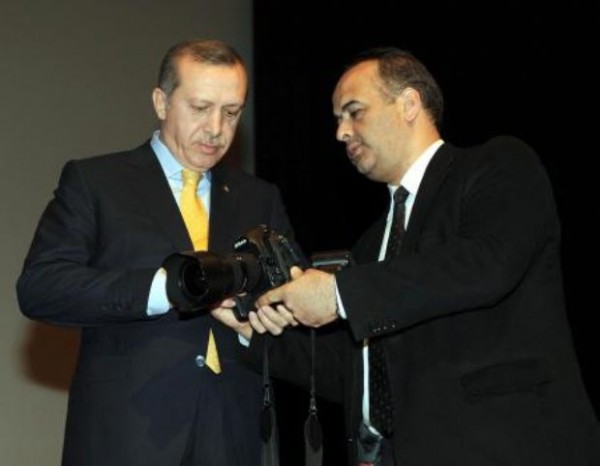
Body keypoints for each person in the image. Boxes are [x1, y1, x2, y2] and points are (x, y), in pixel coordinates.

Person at [213, 47, 600, 465]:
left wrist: (338, 295)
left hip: (505, 447)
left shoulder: (498, 166)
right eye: (337, 119)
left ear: (409, 104)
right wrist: (252, 330)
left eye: (354, 112)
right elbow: (351, 372)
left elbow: (486, 264)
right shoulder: (371, 245)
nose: (341, 132)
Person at [16, 39, 293, 466]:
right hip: (126, 437)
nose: (216, 128)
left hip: (233, 435)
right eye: (200, 108)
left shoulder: (259, 198)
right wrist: (166, 289)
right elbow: (41, 287)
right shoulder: (96, 182)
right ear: (161, 102)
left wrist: (254, 320)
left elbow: (294, 306)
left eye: (231, 112)